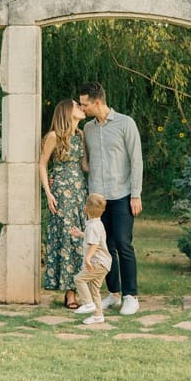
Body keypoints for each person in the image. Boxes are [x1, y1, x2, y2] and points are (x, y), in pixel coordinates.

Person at [79, 81, 143, 316]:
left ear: (97, 102)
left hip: (122, 194)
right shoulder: (88, 129)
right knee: (104, 248)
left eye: (85, 104)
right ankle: (113, 293)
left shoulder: (126, 124)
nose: (82, 107)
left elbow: (136, 160)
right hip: (97, 198)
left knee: (123, 244)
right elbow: (86, 162)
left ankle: (130, 295)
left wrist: (136, 194)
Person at [40, 98, 88, 308]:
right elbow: (42, 163)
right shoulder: (54, 136)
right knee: (67, 239)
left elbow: (85, 165)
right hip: (62, 191)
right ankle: (70, 294)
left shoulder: (81, 135)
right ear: (68, 112)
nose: (81, 107)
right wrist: (48, 192)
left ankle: (81, 289)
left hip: (80, 192)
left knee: (81, 239)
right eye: (77, 105)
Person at [70, 193, 113, 324]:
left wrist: (88, 258)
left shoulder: (92, 226)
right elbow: (94, 238)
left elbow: (94, 244)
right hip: (104, 263)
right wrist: (81, 234)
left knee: (79, 279)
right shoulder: (96, 223)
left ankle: (88, 304)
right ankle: (98, 315)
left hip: (98, 263)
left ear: (85, 208)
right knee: (94, 289)